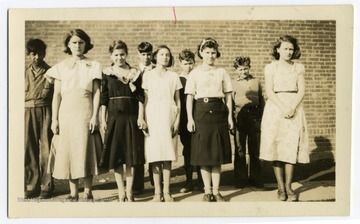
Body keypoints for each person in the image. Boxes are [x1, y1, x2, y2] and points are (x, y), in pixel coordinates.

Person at [45, 29, 102, 201]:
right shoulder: (60, 67)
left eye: (81, 42)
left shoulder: (94, 65)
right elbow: (56, 95)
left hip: (85, 109)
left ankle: (87, 191)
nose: (78, 46)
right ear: (68, 45)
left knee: (85, 148)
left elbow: (97, 92)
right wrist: (54, 119)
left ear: (86, 44)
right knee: (69, 150)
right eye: (74, 42)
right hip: (66, 112)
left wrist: (95, 116)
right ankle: (73, 192)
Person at [260, 35, 309, 202]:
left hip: (294, 107)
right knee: (277, 147)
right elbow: (269, 91)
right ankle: (280, 188)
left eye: (291, 49)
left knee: (290, 146)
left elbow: (301, 90)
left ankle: (289, 186)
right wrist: (283, 108)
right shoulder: (271, 68)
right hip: (276, 108)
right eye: (285, 48)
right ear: (277, 49)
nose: (288, 52)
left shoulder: (298, 68)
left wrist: (292, 108)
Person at [185, 38, 233, 202]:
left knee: (216, 154)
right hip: (201, 113)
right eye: (207, 52)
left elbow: (228, 96)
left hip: (219, 113)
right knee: (205, 155)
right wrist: (190, 119)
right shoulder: (195, 73)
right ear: (201, 53)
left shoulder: (222, 72)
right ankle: (207, 191)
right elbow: (189, 98)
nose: (210, 56)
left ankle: (217, 191)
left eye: (213, 53)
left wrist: (230, 116)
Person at [99, 40, 145, 202]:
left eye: (122, 54)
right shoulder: (107, 73)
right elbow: (103, 98)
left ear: (127, 54)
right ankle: (121, 192)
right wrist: (103, 119)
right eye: (116, 55)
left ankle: (130, 192)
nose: (119, 57)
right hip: (113, 119)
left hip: (131, 118)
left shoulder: (135, 73)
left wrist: (140, 117)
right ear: (111, 56)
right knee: (117, 157)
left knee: (130, 158)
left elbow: (141, 98)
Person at [139, 45, 182, 202]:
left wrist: (177, 120)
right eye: (162, 54)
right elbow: (143, 100)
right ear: (155, 57)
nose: (165, 57)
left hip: (169, 116)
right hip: (152, 116)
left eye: (168, 55)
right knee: (155, 155)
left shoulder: (173, 76)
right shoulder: (148, 76)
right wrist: (142, 118)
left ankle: (167, 191)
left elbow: (178, 100)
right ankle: (157, 192)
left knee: (167, 155)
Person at [24, 38, 54, 199]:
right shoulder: (22, 72)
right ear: (29, 54)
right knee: (28, 147)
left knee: (46, 148)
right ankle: (31, 184)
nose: (36, 57)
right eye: (33, 54)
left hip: (46, 110)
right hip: (27, 111)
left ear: (44, 54)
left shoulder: (51, 72)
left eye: (40, 53)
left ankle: (46, 185)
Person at [232, 56, 265, 189]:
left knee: (255, 149)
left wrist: (262, 117)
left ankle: (255, 178)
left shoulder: (256, 82)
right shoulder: (232, 83)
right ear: (236, 70)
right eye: (240, 69)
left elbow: (262, 100)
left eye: (245, 68)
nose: (243, 72)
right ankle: (240, 179)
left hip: (254, 117)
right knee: (240, 149)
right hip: (239, 117)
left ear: (249, 68)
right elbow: (229, 102)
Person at [178, 49, 203, 193]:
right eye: (185, 63)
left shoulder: (198, 76)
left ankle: (201, 181)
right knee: (187, 150)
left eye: (191, 63)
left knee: (199, 150)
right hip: (184, 119)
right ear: (181, 64)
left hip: (199, 116)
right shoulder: (178, 79)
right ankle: (188, 182)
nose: (188, 66)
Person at [132, 41, 154, 194]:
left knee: (153, 145)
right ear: (138, 55)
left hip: (153, 110)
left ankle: (155, 181)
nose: (146, 57)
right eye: (143, 54)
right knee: (138, 147)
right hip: (136, 112)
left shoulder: (156, 70)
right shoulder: (133, 71)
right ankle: (138, 184)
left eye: (148, 54)